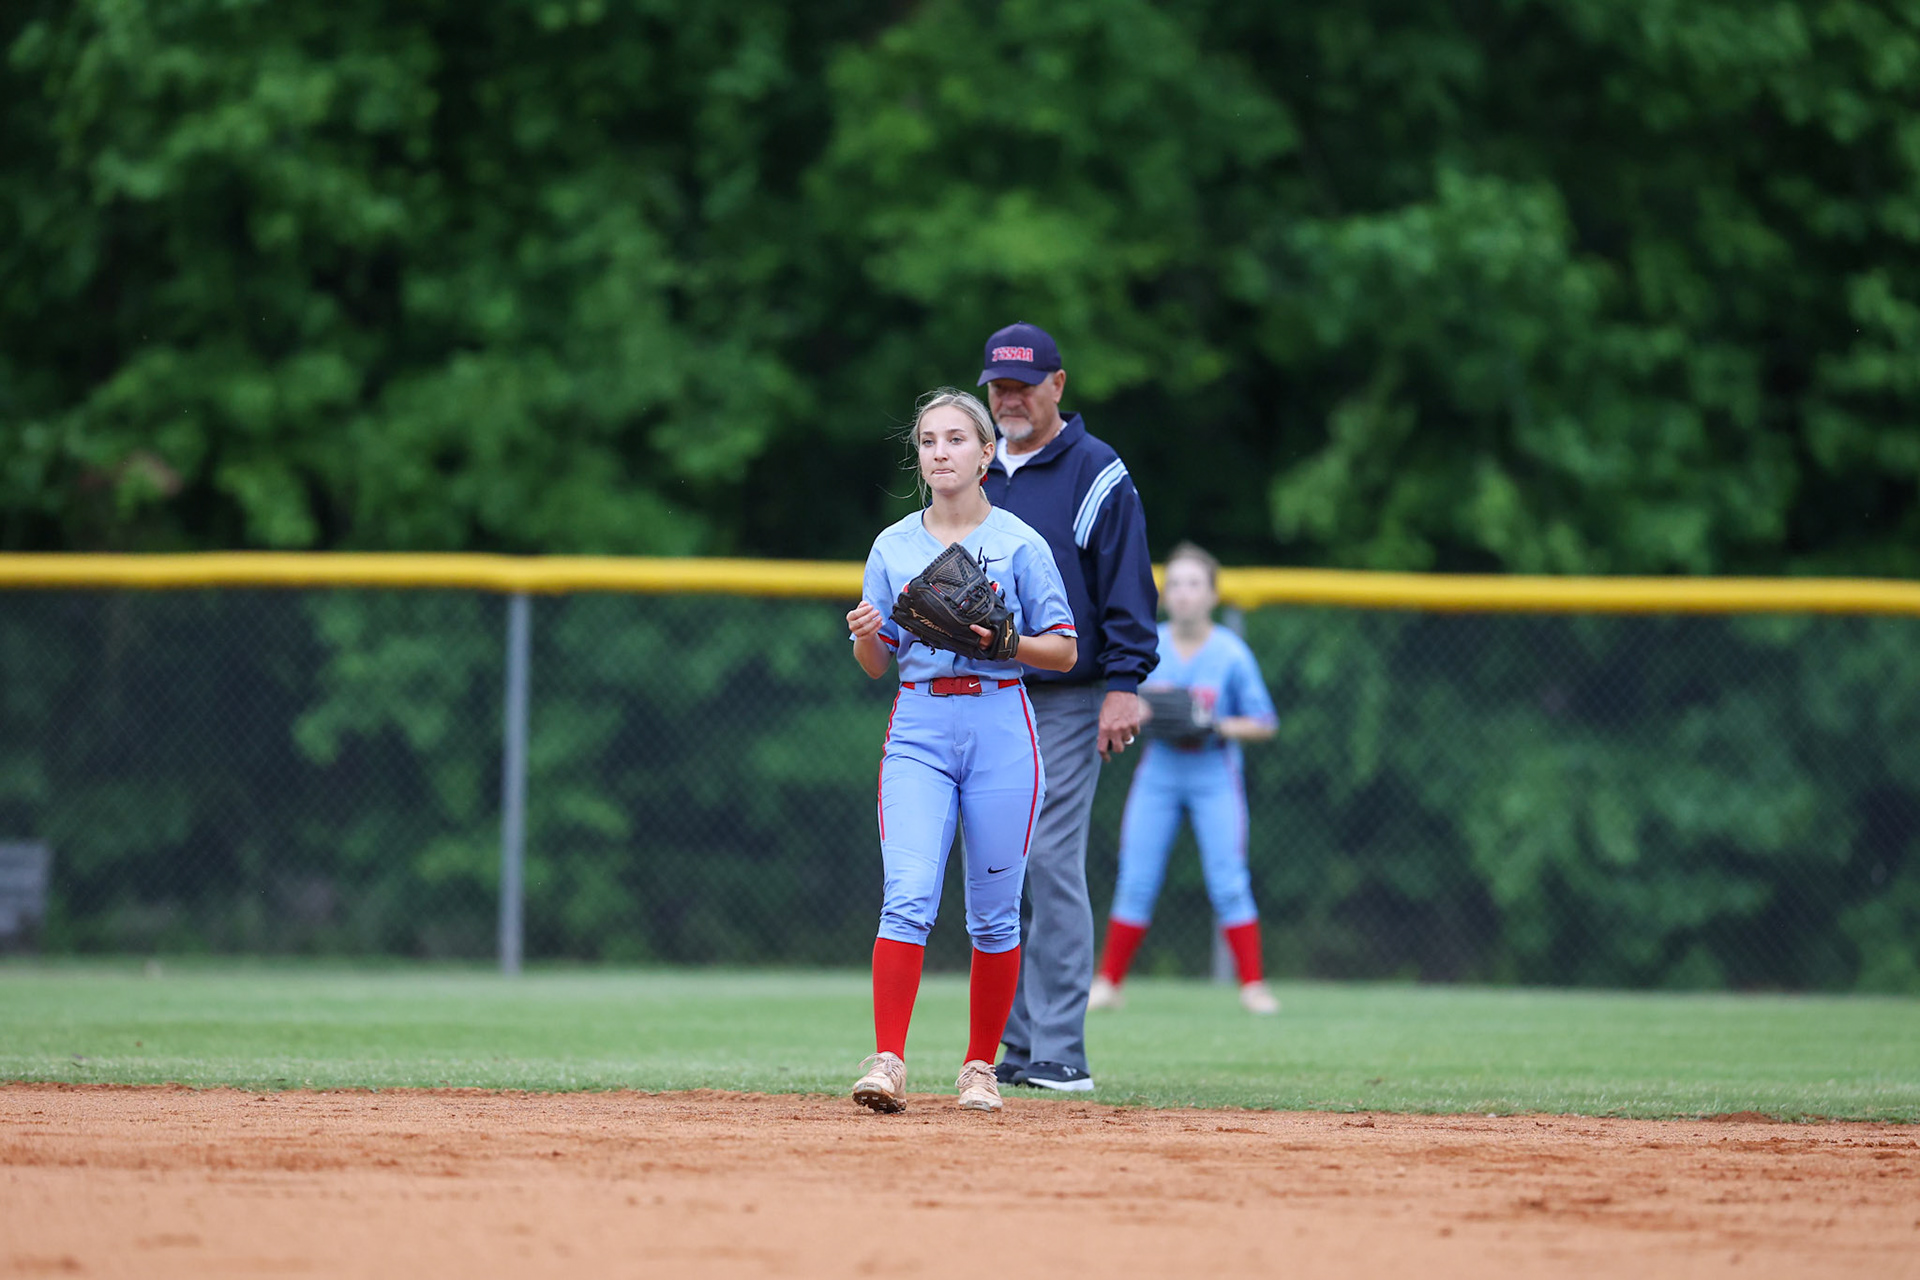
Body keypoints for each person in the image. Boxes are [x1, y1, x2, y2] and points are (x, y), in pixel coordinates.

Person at [845, 387, 1079, 1114]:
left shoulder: (1020, 543)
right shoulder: (892, 546)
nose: (940, 452)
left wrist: (1009, 642)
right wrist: (865, 635)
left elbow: (1065, 650)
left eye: (955, 439)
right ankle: (888, 1061)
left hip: (1001, 723)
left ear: (985, 455)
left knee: (995, 912)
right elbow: (877, 663)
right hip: (920, 724)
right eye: (928, 441)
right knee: (908, 896)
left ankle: (980, 1067)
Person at [976, 323, 1158, 1092]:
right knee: (1000, 866)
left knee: (1049, 857)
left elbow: (1127, 586)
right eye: (999, 386)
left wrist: (1124, 684)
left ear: (1058, 385)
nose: (1010, 399)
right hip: (985, 696)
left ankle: (1061, 1049)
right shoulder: (973, 466)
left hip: (1066, 698)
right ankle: (1018, 1044)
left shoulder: (1095, 471)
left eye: (1024, 386)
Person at [1088, 542, 1281, 1015]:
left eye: (1194, 584)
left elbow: (1264, 722)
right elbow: (1119, 703)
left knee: (1228, 881)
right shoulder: (1147, 644)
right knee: (1136, 879)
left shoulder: (1230, 653)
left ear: (1212, 595)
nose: (1183, 593)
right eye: (1174, 584)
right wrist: (1138, 711)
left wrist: (1214, 725)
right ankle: (1109, 984)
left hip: (1214, 773)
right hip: (1160, 771)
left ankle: (1253, 986)